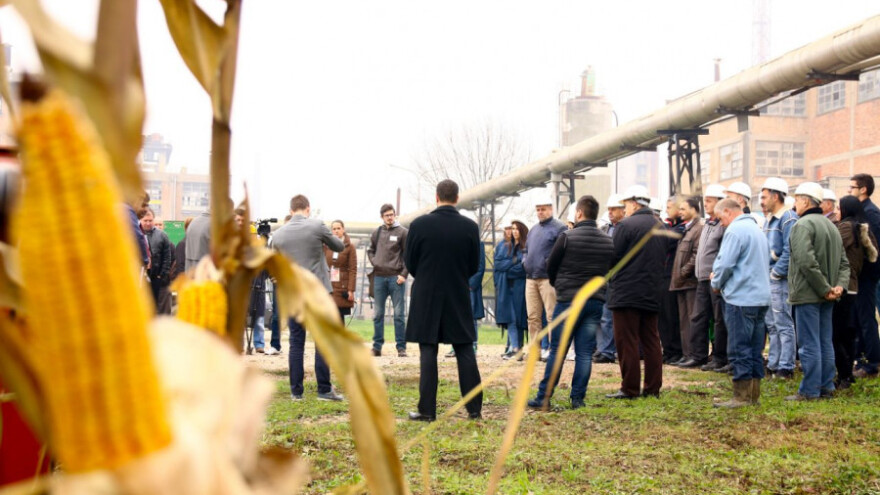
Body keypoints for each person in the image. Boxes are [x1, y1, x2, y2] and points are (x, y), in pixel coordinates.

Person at [405, 180, 482, 421]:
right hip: (457, 292)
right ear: (457, 198)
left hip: (426, 292)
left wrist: (427, 275)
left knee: (428, 351)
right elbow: (473, 264)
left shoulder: (419, 225)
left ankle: (427, 410)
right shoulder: (470, 227)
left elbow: (410, 262)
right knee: (464, 348)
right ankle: (474, 409)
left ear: (436, 197)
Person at [528, 195, 613, 410]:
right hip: (594, 302)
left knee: (558, 350)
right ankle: (577, 399)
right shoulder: (608, 241)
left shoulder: (567, 237)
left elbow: (551, 266)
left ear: (579, 213)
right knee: (584, 353)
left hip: (568, 301)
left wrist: (560, 286)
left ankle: (543, 397)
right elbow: (609, 270)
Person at [271, 195, 345, 402]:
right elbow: (339, 246)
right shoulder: (316, 226)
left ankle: (296, 392)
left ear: (291, 209)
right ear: (308, 208)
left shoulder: (278, 235)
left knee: (296, 341)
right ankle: (323, 389)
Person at [786, 182, 850, 401]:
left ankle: (810, 390)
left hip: (808, 294)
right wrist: (838, 287)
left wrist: (823, 289)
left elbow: (806, 262)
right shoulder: (831, 226)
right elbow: (844, 263)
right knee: (824, 341)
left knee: (809, 343)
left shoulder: (802, 226)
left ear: (805, 201)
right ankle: (826, 387)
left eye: (796, 200)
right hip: (829, 295)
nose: (795, 204)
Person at [606, 185, 666, 399]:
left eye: (625, 204)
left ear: (633, 203)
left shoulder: (626, 225)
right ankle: (652, 388)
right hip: (652, 291)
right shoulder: (661, 225)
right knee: (651, 340)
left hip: (626, 293)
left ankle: (629, 388)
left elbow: (613, 257)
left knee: (627, 340)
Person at [711, 198, 771, 408]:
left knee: (739, 348)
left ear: (728, 212)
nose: (721, 224)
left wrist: (716, 282)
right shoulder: (757, 230)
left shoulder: (735, 231)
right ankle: (753, 394)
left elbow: (725, 263)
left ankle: (741, 396)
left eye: (720, 218)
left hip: (741, 298)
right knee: (755, 349)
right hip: (761, 297)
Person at [832, 196, 877, 389]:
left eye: (838, 208)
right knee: (848, 333)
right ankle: (847, 374)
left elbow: (832, 248)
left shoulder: (846, 228)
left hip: (842, 285)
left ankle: (844, 376)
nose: (835, 211)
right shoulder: (861, 228)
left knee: (838, 334)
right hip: (853, 285)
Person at [760, 177, 798, 380]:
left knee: (783, 322)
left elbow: (789, 250)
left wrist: (776, 273)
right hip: (769, 278)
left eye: (765, 197)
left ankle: (786, 366)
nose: (762, 201)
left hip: (779, 280)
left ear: (776, 196)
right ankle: (774, 363)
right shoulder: (769, 219)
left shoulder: (788, 218)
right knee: (772, 324)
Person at [523, 194, 567, 361]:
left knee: (551, 316)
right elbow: (526, 250)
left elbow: (562, 252)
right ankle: (535, 351)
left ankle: (554, 350)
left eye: (543, 209)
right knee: (533, 316)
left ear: (551, 209)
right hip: (531, 277)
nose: (540, 212)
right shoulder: (533, 229)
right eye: (538, 209)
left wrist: (549, 265)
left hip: (548, 278)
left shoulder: (560, 228)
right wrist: (525, 263)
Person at [693, 185, 729, 372]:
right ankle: (698, 356)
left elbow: (723, 254)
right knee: (699, 317)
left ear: (719, 202)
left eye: (709, 200)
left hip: (715, 279)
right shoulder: (707, 224)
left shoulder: (723, 226)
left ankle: (719, 356)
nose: (705, 204)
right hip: (702, 278)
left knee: (718, 320)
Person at [367, 204, 409, 357]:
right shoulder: (377, 232)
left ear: (395, 215)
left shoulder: (403, 232)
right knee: (378, 314)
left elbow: (408, 255)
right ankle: (377, 347)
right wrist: (375, 261)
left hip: (396, 278)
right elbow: (370, 250)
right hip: (379, 277)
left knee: (399, 314)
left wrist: (403, 274)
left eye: (392, 214)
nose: (390, 217)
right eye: (387, 215)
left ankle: (401, 347)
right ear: (382, 217)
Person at [850, 173, 880, 379]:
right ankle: (862, 358)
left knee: (867, 318)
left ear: (863, 189)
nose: (849, 191)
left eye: (852, 187)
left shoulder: (871, 214)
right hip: (861, 275)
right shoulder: (862, 211)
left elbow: (874, 250)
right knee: (860, 317)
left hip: (868, 275)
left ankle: (873, 362)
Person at [670, 197, 704, 368]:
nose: (680, 212)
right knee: (684, 320)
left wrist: (683, 272)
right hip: (681, 282)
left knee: (692, 319)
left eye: (683, 209)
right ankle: (686, 353)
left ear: (693, 209)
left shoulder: (699, 228)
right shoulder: (687, 229)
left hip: (689, 281)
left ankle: (694, 354)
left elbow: (696, 254)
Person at [595, 194, 624, 364]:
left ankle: (610, 350)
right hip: (605, 277)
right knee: (604, 316)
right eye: (609, 209)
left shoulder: (625, 228)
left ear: (622, 210)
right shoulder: (605, 229)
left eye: (614, 209)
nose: (610, 212)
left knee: (615, 317)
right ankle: (605, 350)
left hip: (620, 278)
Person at [659, 197, 685, 364]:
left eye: (670, 207)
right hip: (663, 275)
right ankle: (667, 350)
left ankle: (676, 350)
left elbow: (666, 241)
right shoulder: (669, 226)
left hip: (673, 275)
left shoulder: (681, 228)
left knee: (672, 316)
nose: (667, 210)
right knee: (662, 316)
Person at [140, 207, 174, 314]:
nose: (148, 223)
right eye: (145, 221)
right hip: (140, 276)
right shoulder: (136, 234)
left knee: (155, 307)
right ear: (140, 220)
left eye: (150, 221)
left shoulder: (162, 235)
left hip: (156, 277)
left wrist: (161, 275)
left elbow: (167, 257)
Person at [504, 220, 529, 361]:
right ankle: (514, 347)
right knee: (512, 318)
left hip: (520, 286)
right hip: (509, 287)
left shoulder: (525, 247)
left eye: (517, 229)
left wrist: (508, 270)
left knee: (519, 318)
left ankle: (518, 349)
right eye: (512, 228)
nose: (514, 231)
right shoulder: (509, 247)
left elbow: (522, 268)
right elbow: (502, 264)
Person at [325, 220, 359, 323]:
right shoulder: (326, 246)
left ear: (343, 229)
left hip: (342, 286)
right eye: (334, 229)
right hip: (329, 285)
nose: (336, 231)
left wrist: (350, 290)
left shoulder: (350, 247)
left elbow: (353, 269)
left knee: (339, 317)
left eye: (338, 228)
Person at [493, 227, 516, 355]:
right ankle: (509, 346)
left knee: (513, 317)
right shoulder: (501, 245)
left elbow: (518, 262)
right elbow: (497, 265)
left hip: (514, 284)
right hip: (502, 285)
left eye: (511, 229)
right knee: (507, 316)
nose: (509, 231)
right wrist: (511, 262)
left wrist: (508, 264)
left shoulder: (518, 245)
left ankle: (514, 346)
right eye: (507, 229)